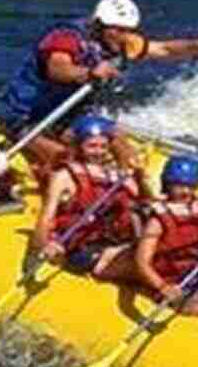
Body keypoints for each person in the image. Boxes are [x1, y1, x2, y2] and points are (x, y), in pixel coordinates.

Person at [0, 0, 198, 174]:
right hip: (27, 117)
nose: (123, 35)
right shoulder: (66, 37)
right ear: (99, 25)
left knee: (124, 148)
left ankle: (133, 205)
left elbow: (164, 49)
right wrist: (89, 73)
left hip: (70, 114)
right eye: (117, 29)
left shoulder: (123, 42)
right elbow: (58, 68)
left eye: (127, 30)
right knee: (69, 161)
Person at [32, 114, 144, 280]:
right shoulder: (64, 176)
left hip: (113, 242)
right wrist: (44, 244)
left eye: (103, 147)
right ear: (79, 146)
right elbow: (46, 217)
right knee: (143, 262)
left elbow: (140, 206)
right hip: (83, 250)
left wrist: (141, 179)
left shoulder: (117, 176)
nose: (98, 152)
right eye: (92, 146)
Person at [129, 155, 198, 316]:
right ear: (168, 184)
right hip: (176, 284)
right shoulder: (157, 221)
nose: (185, 192)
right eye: (178, 186)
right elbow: (141, 261)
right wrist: (162, 287)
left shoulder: (197, 205)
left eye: (190, 186)